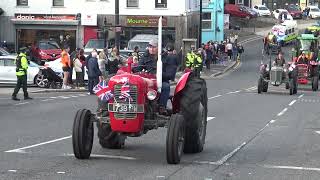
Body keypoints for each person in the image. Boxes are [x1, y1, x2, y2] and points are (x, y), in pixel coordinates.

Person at [136, 39, 178, 115]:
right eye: (150, 47)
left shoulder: (166, 57)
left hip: (161, 79)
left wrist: (159, 74)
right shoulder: (145, 56)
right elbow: (138, 68)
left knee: (165, 86)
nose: (151, 49)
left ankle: (162, 106)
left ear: (159, 47)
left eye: (154, 47)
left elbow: (170, 74)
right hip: (148, 79)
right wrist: (130, 68)